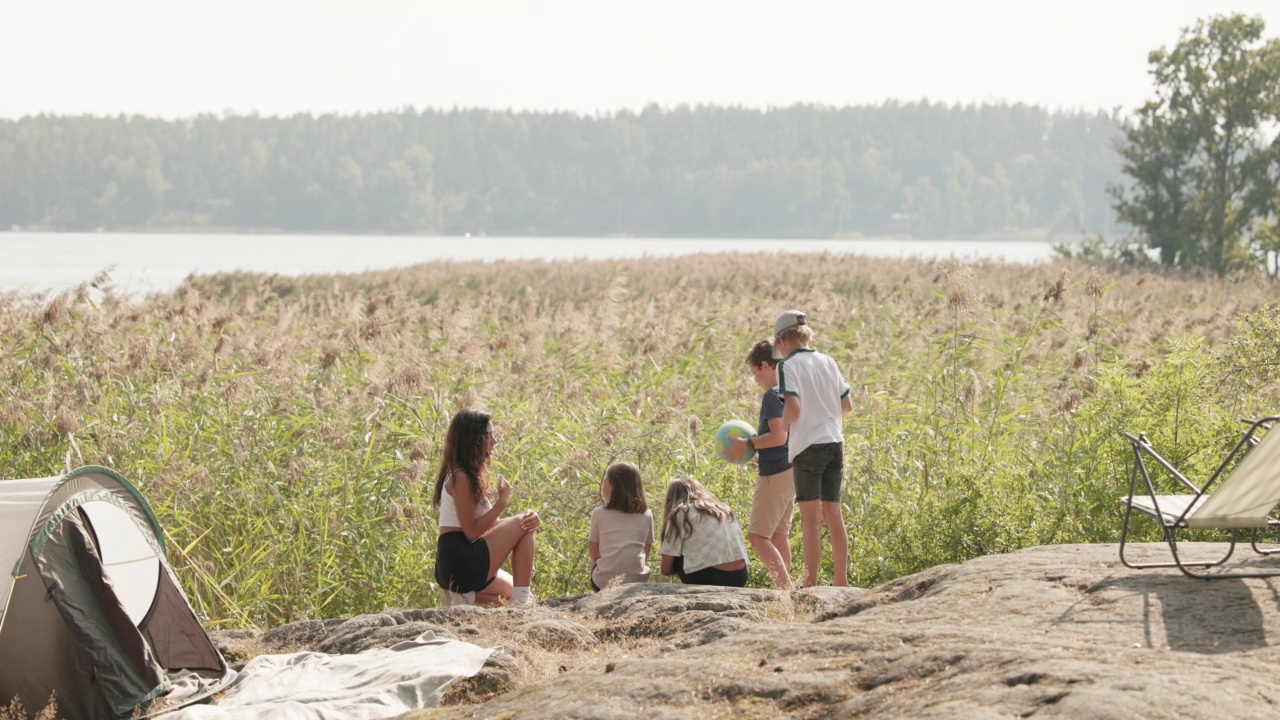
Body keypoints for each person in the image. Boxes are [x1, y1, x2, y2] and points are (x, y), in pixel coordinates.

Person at [772, 309, 852, 587]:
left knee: (810, 520)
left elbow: (792, 407)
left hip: (808, 445)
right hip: (835, 441)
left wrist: (783, 428)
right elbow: (847, 405)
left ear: (781, 340)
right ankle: (841, 580)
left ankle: (810, 583)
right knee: (833, 513)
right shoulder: (828, 361)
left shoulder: (788, 366)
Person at [432, 409, 540, 607]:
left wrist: (511, 522)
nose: (495, 441)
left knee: (527, 523)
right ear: (474, 440)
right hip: (459, 560)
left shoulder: (471, 475)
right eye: (489, 436)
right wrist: (502, 502)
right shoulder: (460, 476)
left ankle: (469, 597)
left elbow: (486, 527)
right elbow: (472, 531)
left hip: (463, 560)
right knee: (525, 522)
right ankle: (520, 606)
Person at [727, 339, 794, 589]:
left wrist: (748, 444)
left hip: (776, 470)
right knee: (779, 534)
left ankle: (785, 590)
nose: (755, 378)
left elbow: (778, 436)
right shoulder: (791, 391)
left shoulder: (771, 395)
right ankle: (786, 589)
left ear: (765, 365)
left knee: (757, 535)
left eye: (755, 372)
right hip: (793, 468)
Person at [658, 476, 750, 587]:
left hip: (705, 577)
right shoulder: (724, 509)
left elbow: (665, 569)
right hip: (738, 576)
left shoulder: (680, 512)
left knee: (675, 555)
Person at [587, 462, 654, 591]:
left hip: (604, 582)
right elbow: (646, 552)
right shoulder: (647, 514)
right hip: (638, 580)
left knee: (594, 564)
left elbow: (594, 553)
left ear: (612, 486)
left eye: (605, 481)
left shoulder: (599, 513)